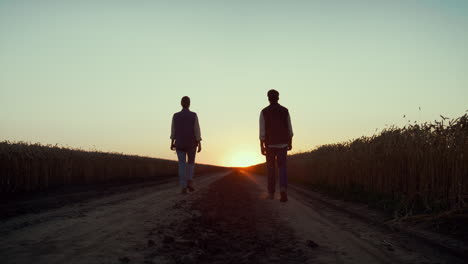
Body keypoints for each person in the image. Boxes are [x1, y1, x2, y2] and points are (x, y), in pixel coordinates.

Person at [259, 89, 293, 202]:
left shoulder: (264, 112)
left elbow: (262, 131)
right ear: (278, 98)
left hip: (270, 144)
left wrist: (261, 145)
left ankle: (271, 193)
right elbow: (289, 128)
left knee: (270, 168)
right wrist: (290, 142)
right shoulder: (285, 111)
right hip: (283, 143)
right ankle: (283, 190)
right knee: (282, 167)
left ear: (268, 98)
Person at [170, 96, 202, 194]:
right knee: (190, 164)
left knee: (182, 165)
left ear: (181, 104)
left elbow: (173, 130)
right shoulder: (193, 115)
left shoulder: (175, 116)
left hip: (179, 143)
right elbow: (197, 130)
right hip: (192, 143)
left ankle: (183, 187)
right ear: (189, 104)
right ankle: (190, 183)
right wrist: (199, 142)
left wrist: (172, 143)